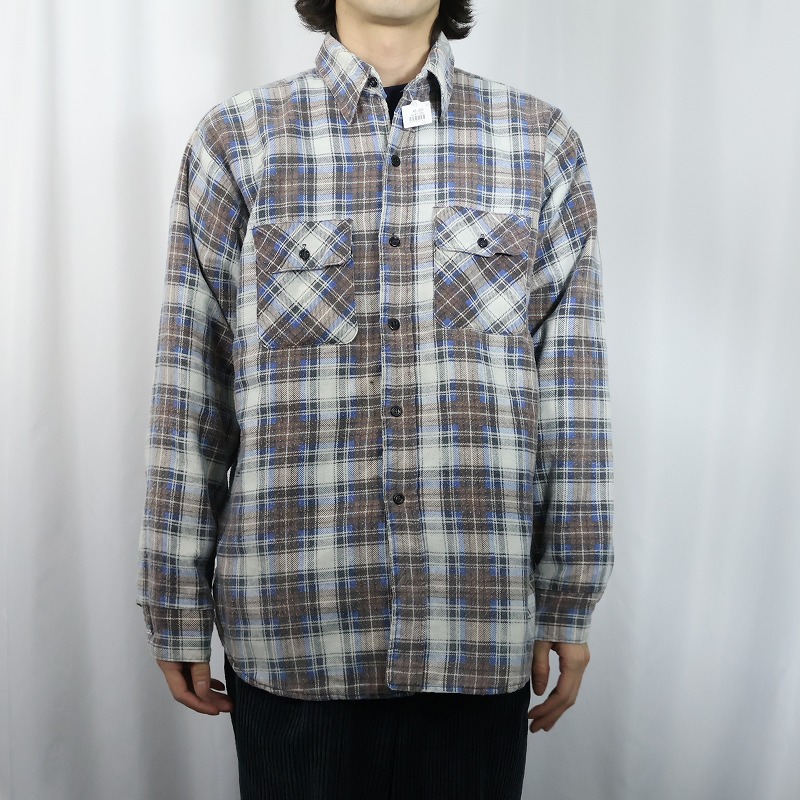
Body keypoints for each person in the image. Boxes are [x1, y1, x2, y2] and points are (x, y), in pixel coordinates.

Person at [136, 1, 614, 797]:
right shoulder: (238, 141)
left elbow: (571, 391)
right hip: (293, 632)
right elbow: (193, 389)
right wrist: (174, 599)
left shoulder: (538, 143)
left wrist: (569, 595)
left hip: (472, 624)